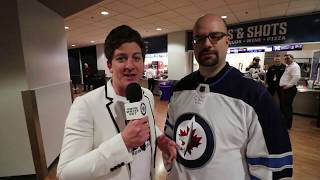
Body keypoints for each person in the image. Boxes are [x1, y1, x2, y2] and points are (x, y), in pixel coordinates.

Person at [163, 14, 292, 180]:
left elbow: (273, 166)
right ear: (194, 45)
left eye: (215, 36)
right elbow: (170, 140)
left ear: (227, 41)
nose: (207, 43)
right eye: (200, 38)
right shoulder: (179, 89)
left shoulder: (255, 96)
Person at [57, 25, 176, 180]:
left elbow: (147, 124)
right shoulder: (85, 105)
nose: (130, 66)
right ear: (109, 65)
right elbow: (65, 173)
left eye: (136, 58)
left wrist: (159, 138)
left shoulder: (146, 95)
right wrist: (123, 143)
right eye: (121, 58)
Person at [279, 54, 301, 129]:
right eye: (285, 59)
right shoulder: (288, 66)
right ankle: (284, 123)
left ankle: (287, 125)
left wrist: (287, 86)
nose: (286, 60)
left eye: (288, 58)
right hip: (286, 89)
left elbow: (296, 77)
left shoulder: (294, 66)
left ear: (292, 58)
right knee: (285, 107)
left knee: (287, 108)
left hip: (289, 89)